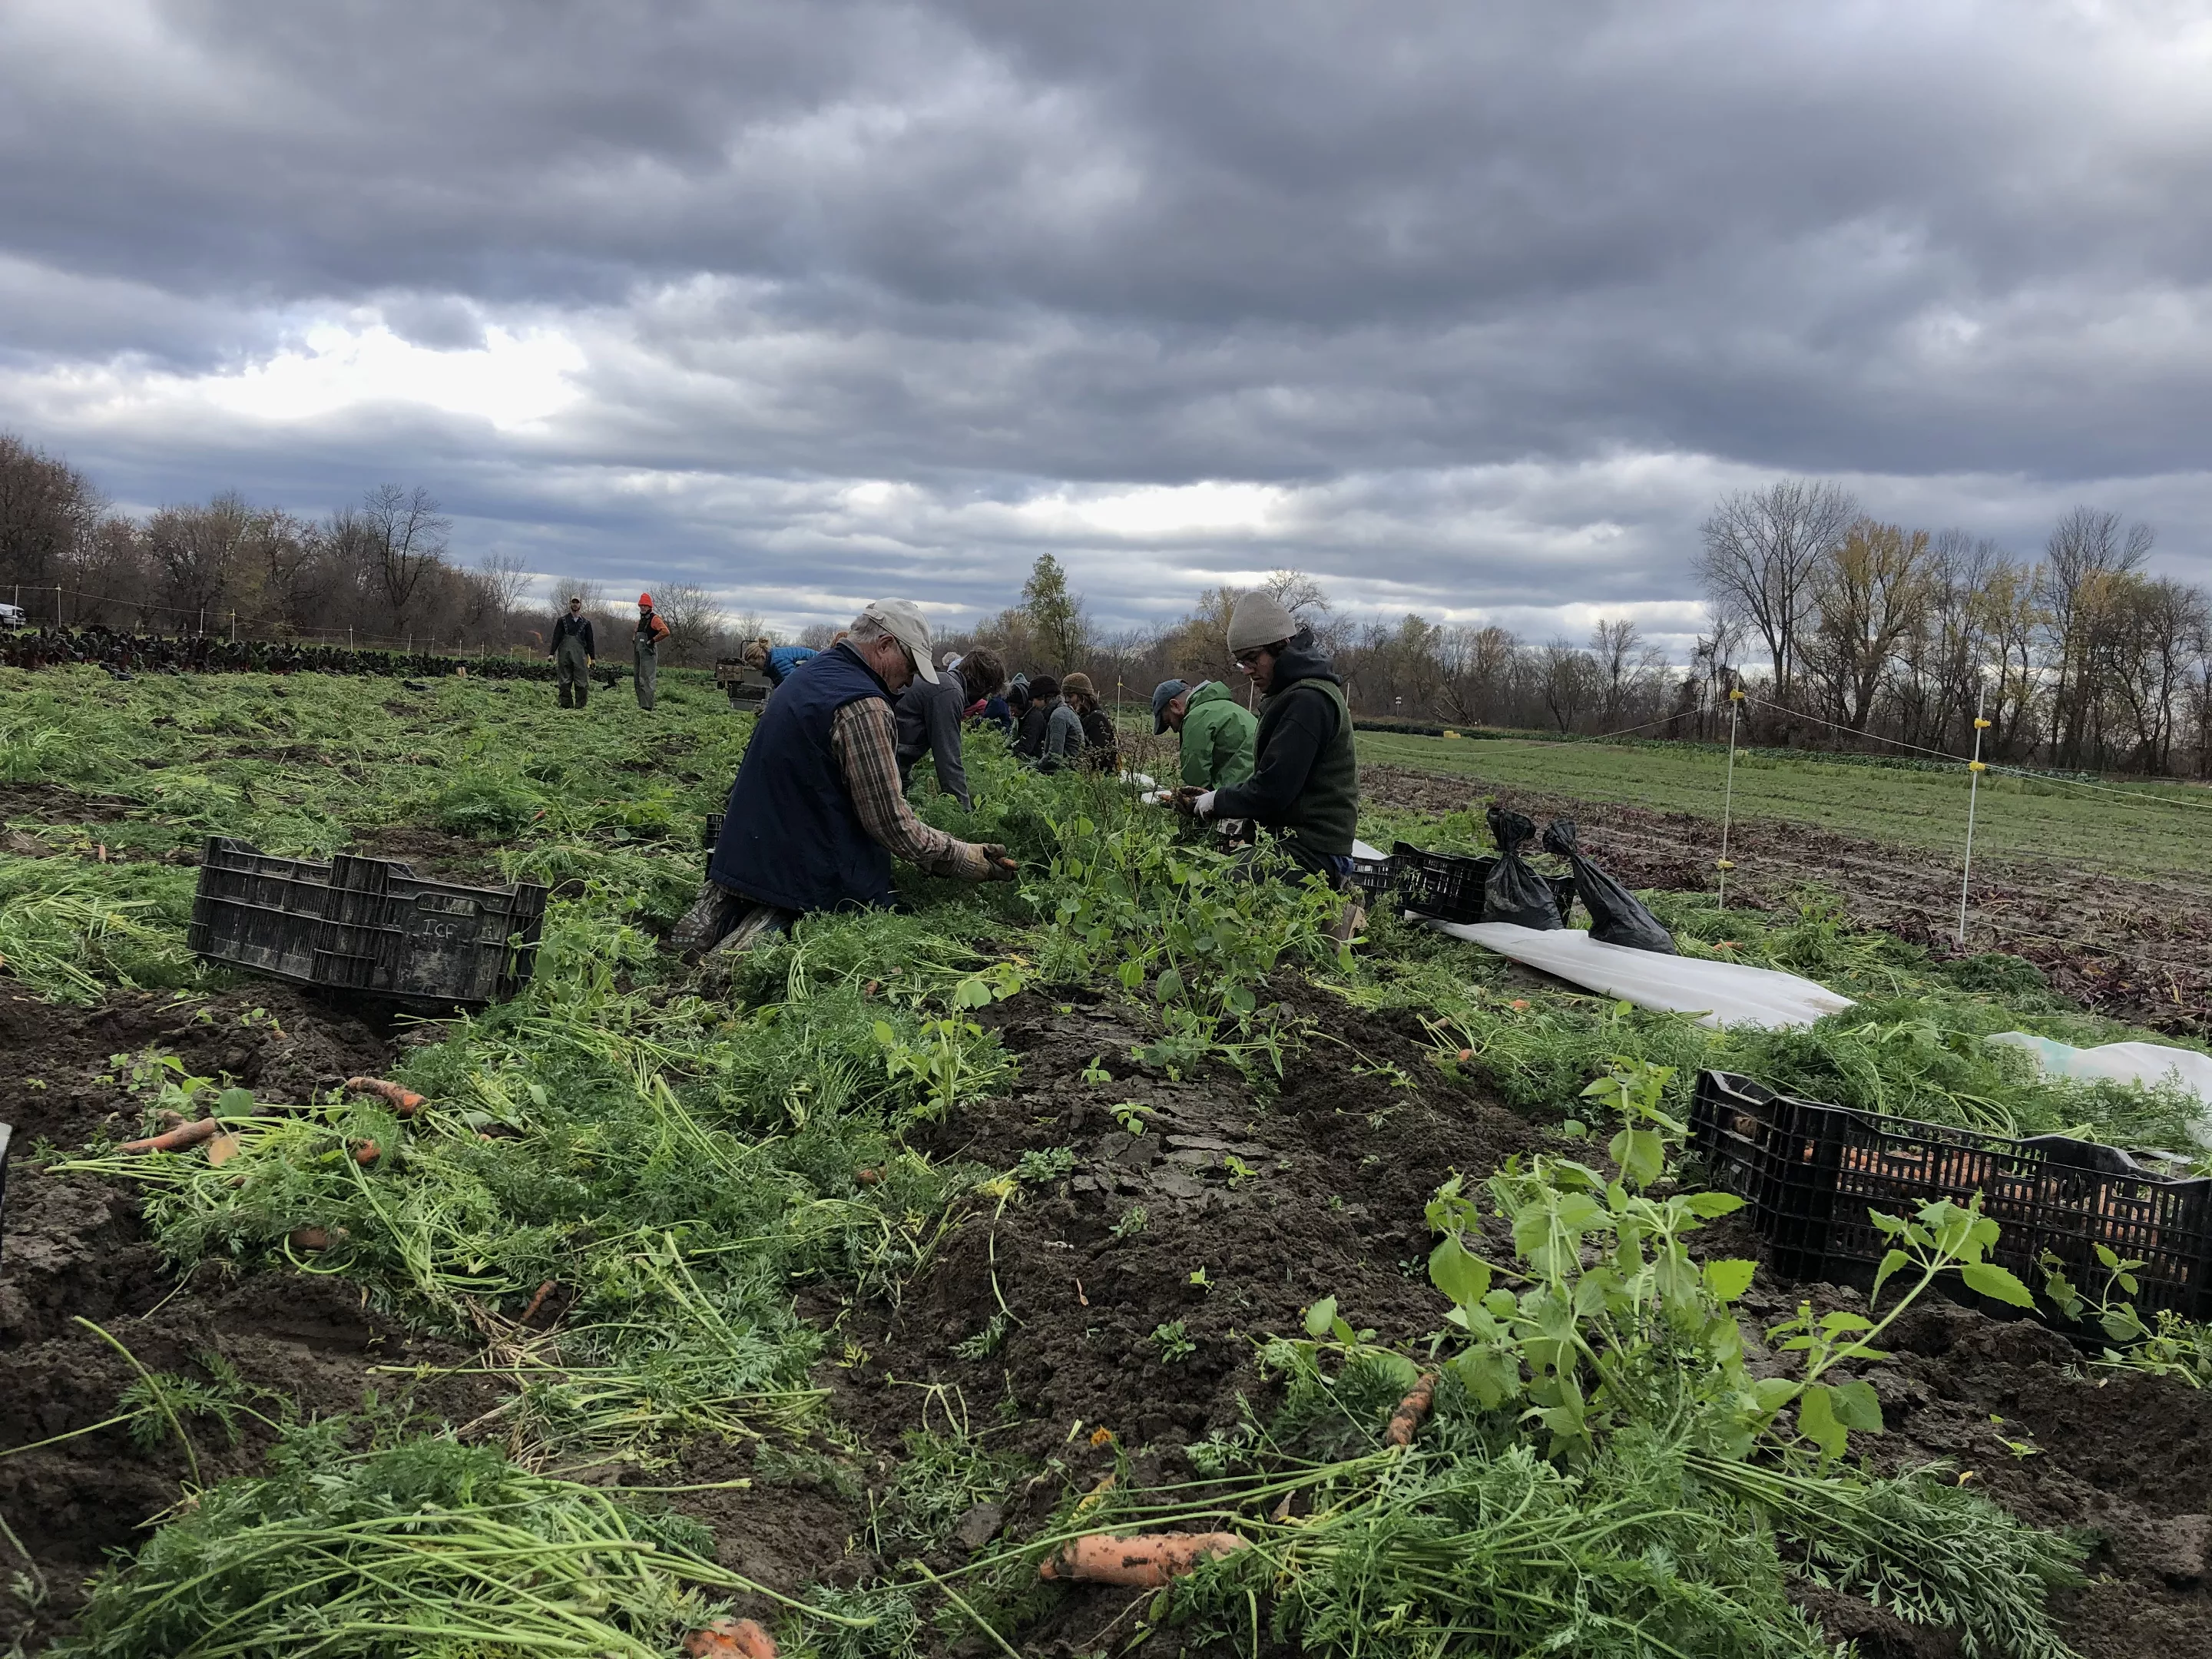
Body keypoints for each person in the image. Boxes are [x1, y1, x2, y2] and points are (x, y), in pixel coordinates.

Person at [672, 600, 1017, 961]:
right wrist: (963, 857)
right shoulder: (864, 705)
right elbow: (890, 823)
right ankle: (748, 946)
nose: (911, 679)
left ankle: (726, 906)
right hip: (804, 862)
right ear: (884, 646)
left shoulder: (811, 672)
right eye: (911, 665)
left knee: (761, 884)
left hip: (744, 847)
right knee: (869, 907)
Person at [1181, 593, 1358, 891]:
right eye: (1241, 662)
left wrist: (1214, 801)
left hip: (1314, 853)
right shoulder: (1290, 693)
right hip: (1290, 842)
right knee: (1203, 875)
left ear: (1281, 647)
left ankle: (1336, 904)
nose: (1248, 670)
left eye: (1252, 659)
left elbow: (1273, 791)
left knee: (1212, 891)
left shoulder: (1308, 701)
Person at [895, 647, 973, 810]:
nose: (909, 681)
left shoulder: (942, 683)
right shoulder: (949, 691)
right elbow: (948, 759)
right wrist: (964, 811)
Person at [1152, 677, 1257, 790]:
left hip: (1240, 792)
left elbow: (1196, 782)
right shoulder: (1228, 707)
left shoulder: (1197, 717)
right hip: (1261, 785)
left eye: (1169, 722)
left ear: (1176, 706)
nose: (1174, 730)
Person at [1059, 672, 1118, 773]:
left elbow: (1097, 757)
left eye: (1070, 696)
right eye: (1065, 697)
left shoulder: (1097, 719)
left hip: (1100, 779)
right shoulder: (1083, 716)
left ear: (1083, 696)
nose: (1067, 701)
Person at [550, 597, 594, 709]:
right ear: (570, 604)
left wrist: (593, 658)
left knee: (581, 683)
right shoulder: (562, 621)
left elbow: (590, 641)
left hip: (581, 657)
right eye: (573, 602)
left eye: (577, 602)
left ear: (580, 605)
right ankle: (566, 706)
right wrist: (551, 653)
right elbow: (556, 637)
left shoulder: (586, 623)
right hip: (564, 656)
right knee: (564, 682)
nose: (575, 604)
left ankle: (581, 706)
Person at [960, 647, 1015, 738]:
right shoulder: (998, 701)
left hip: (999, 734)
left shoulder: (996, 702)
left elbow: (987, 718)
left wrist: (975, 723)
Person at [633, 593, 671, 710]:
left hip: (648, 654)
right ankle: (642, 705)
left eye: (645, 605)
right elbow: (636, 632)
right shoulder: (641, 620)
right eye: (641, 605)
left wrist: (653, 640)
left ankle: (648, 707)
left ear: (650, 607)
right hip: (639, 653)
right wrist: (634, 638)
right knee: (638, 679)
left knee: (647, 680)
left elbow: (665, 631)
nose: (643, 608)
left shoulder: (655, 619)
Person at [741, 637, 819, 687]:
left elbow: (793, 686)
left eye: (756, 665)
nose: (756, 669)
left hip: (820, 666)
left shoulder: (778, 662)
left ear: (762, 657)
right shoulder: (773, 659)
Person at [1013, 674, 1057, 760]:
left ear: (1043, 697)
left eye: (1034, 699)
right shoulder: (1049, 712)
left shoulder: (1056, 715)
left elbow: (1055, 755)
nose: (1033, 703)